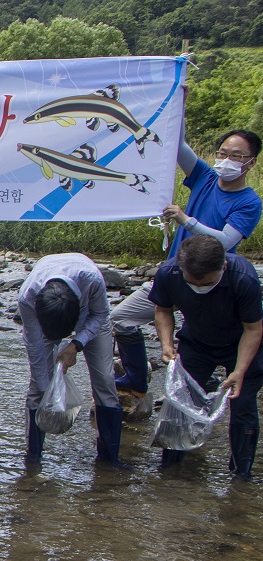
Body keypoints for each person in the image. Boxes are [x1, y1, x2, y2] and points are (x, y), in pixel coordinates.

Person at [111, 129, 260, 393]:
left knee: (209, 341)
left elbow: (225, 242)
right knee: (121, 318)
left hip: (213, 283)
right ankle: (137, 376)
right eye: (223, 154)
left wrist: (186, 220)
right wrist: (178, 101)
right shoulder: (205, 178)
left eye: (236, 156)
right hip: (176, 276)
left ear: (251, 162)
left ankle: (211, 380)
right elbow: (175, 144)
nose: (227, 160)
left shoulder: (249, 202)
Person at [150, 234, 262, 479]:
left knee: (242, 405)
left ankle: (241, 475)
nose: (200, 288)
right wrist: (167, 344)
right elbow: (163, 310)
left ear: (222, 267)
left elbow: (253, 329)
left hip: (240, 343)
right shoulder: (169, 274)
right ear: (182, 268)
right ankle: (169, 469)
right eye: (194, 284)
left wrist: (239, 371)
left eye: (207, 284)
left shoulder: (243, 277)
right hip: (197, 343)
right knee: (180, 402)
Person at [16, 253, 126, 470]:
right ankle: (33, 459)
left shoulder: (92, 280)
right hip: (46, 318)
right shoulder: (28, 297)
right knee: (37, 387)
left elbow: (101, 315)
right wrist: (50, 395)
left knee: (104, 380)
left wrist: (76, 345)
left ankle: (109, 460)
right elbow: (37, 350)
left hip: (91, 317)